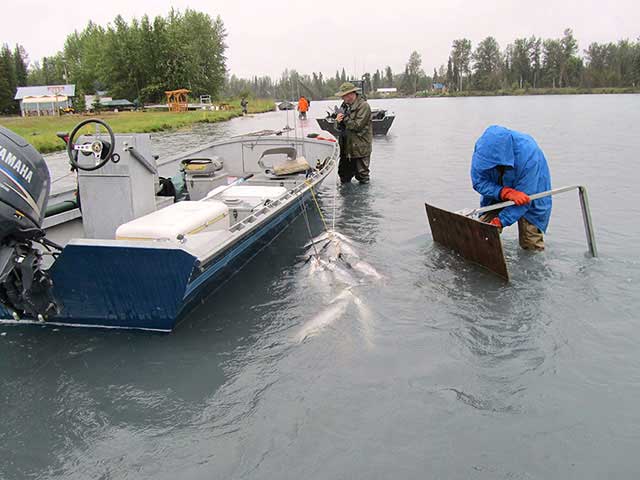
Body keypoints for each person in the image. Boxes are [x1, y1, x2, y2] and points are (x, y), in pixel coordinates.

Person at [471, 125, 552, 251]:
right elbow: (478, 182)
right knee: (482, 232)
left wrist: (501, 221)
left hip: (532, 189)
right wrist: (504, 192)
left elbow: (525, 199)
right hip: (496, 188)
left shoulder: (529, 154)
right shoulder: (481, 149)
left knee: (531, 242)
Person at [334, 82, 373, 184]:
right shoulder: (344, 105)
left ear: (351, 94)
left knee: (362, 175)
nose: (342, 98)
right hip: (346, 147)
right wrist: (337, 121)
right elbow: (337, 128)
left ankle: (364, 194)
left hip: (360, 148)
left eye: (343, 95)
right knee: (343, 174)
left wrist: (344, 118)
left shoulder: (364, 106)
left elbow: (357, 126)